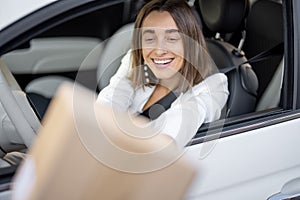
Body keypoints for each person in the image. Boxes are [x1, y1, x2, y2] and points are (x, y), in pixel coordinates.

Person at [97, 0, 229, 148]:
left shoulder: (214, 86)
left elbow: (169, 135)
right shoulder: (136, 60)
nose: (159, 50)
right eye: (150, 39)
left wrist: (122, 125)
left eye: (172, 39)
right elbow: (108, 103)